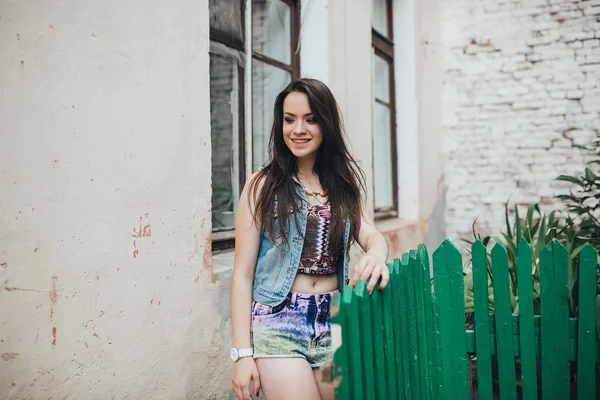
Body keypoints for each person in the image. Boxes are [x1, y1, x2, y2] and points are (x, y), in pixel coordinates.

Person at [230, 78, 390, 400]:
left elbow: (370, 234)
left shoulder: (342, 186)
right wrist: (242, 354)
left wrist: (376, 255)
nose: (298, 129)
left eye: (310, 119)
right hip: (279, 323)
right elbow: (242, 274)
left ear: (325, 124)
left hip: (333, 323)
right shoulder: (262, 186)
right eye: (289, 119)